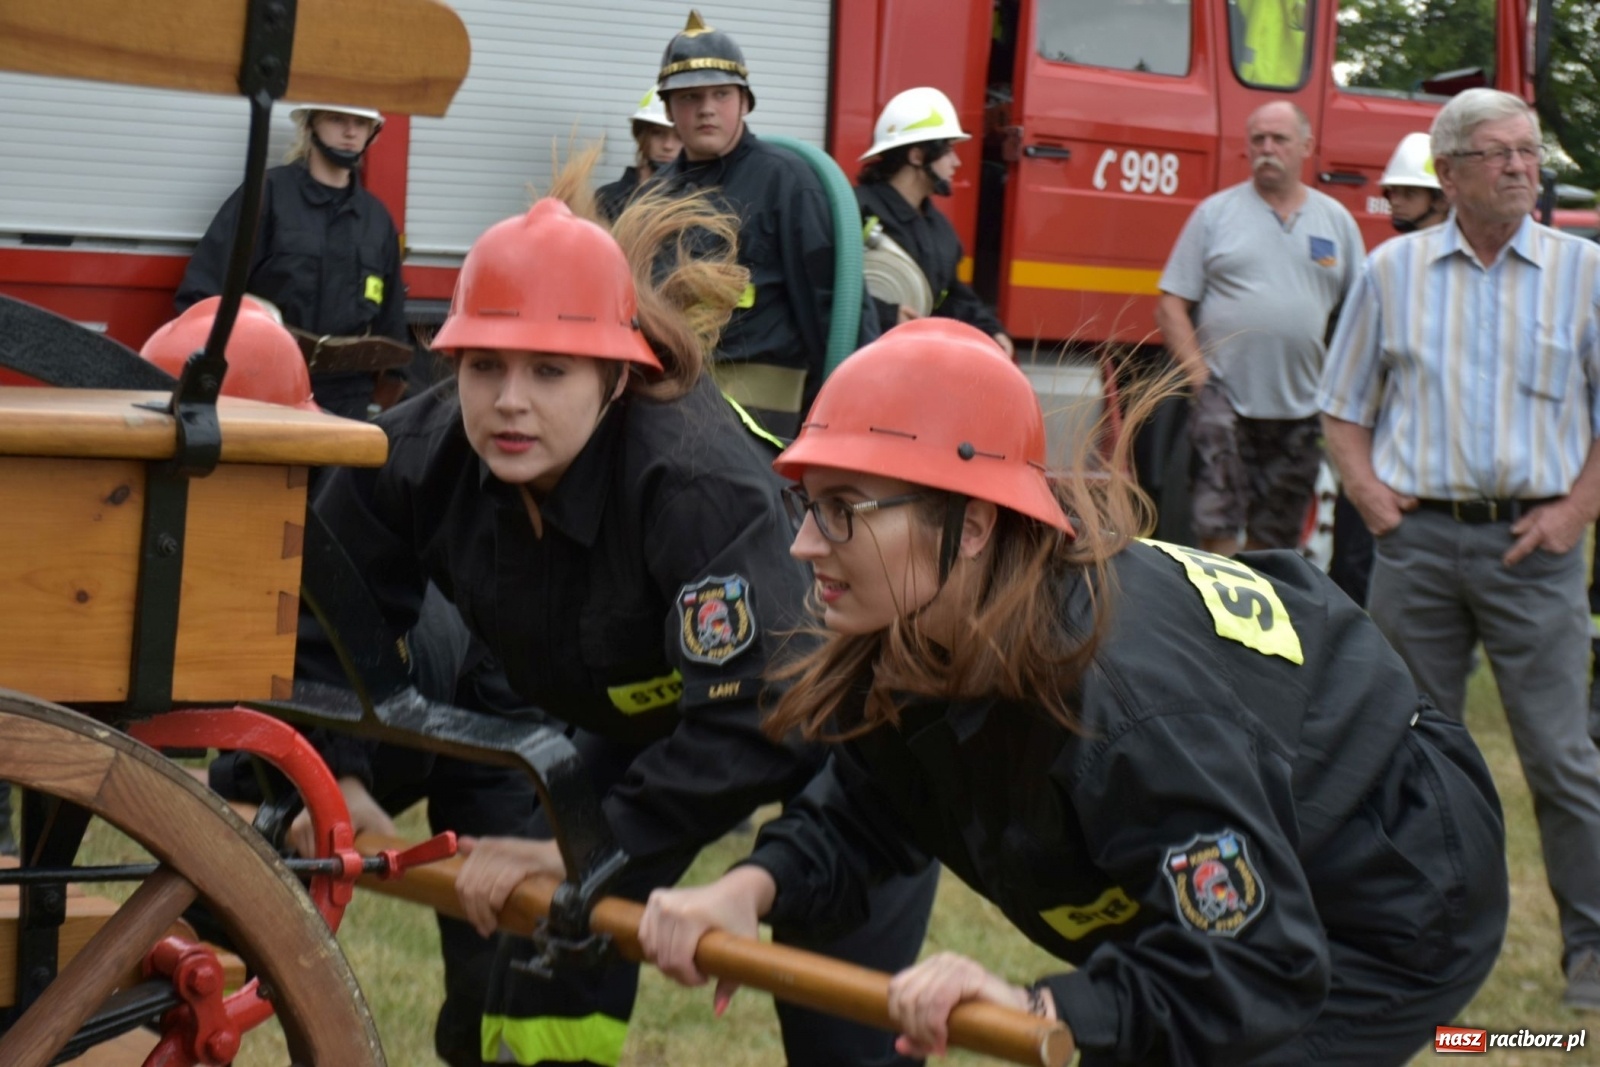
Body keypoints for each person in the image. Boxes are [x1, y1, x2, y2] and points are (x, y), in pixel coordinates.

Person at [636, 317, 1508, 1065]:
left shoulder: (1124, 706)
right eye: (807, 507)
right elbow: (874, 806)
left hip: (1384, 881)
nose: (804, 547)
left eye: (844, 509)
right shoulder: (922, 624)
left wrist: (1046, 1008)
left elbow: (1253, 963)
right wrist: (749, 887)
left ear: (971, 523)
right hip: (1248, 862)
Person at [291, 185, 936, 1067]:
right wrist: (340, 775)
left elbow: (759, 709)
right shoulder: (427, 450)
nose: (510, 401)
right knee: (545, 947)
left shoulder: (692, 485)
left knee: (841, 1031)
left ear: (616, 375)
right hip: (649, 714)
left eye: (550, 371)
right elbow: (325, 595)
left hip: (837, 718)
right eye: (484, 366)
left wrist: (595, 847)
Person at [1320, 87, 1600, 1012]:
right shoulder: (1390, 272)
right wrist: (1366, 493)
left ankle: (1593, 955)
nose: (1522, 166)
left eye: (1529, 151)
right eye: (1498, 152)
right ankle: (1408, 940)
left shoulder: (1582, 271)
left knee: (1562, 759)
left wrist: (1572, 514)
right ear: (1448, 173)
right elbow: (1344, 404)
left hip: (1537, 550)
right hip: (1419, 550)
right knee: (1402, 752)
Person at [649, 10, 879, 438]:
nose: (706, 110)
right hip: (669, 409)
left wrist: (847, 420)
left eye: (720, 95)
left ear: (745, 102)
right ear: (668, 109)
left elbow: (836, 309)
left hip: (763, 422)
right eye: (689, 98)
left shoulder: (788, 183)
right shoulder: (652, 198)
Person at [1155, 100, 1363, 557]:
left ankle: (1263, 621)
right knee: (1218, 522)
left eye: (1279, 139)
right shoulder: (1215, 215)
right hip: (1224, 400)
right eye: (1258, 140)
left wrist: (1338, 388)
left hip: (1302, 407)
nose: (1267, 149)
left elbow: (1358, 317)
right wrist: (1199, 379)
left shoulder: (1337, 222)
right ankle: (1218, 622)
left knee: (1279, 537)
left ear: (1306, 146)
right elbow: (1171, 304)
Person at [175, 102, 407, 421]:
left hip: (348, 397)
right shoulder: (266, 196)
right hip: (268, 386)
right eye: (336, 118)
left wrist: (388, 394)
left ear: (372, 132)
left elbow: (391, 321)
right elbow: (203, 296)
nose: (350, 131)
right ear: (310, 124)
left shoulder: (377, 221)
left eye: (361, 123)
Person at [1325, 131, 1448, 608]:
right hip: (1377, 446)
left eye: (1407, 191)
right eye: (1392, 190)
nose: (1393, 199)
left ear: (1439, 197)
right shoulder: (1385, 268)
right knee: (1353, 564)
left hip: (1427, 460)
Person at [854, 87, 1013, 359]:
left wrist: (991, 332)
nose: (957, 161)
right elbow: (825, 290)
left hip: (911, 365)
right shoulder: (855, 211)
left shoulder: (938, 229)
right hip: (860, 367)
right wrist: (885, 315)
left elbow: (952, 298)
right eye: (948, 151)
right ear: (917, 156)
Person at [596, 88, 682, 222]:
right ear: (641, 135)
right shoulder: (607, 198)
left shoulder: (702, 201)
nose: (668, 145)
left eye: (679, 136)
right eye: (657, 133)